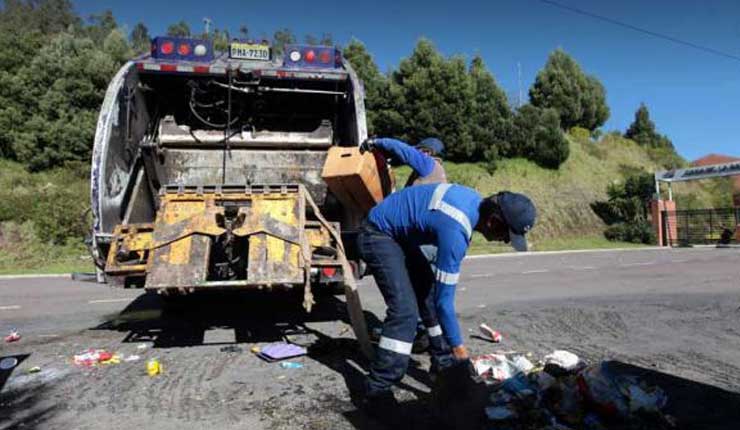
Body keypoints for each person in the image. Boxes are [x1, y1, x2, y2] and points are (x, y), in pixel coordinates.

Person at [357, 183, 536, 412]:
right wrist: (459, 350)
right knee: (405, 312)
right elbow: (446, 304)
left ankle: (443, 365)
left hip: (401, 237)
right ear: (493, 222)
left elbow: (438, 300)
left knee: (429, 297)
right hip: (377, 234)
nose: (505, 242)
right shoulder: (457, 231)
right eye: (506, 235)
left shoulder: (473, 202)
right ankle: (377, 389)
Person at [360, 137, 447, 187]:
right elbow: (403, 159)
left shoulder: (427, 164)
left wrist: (375, 142)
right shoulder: (434, 169)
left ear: (427, 152)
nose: (417, 153)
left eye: (419, 150)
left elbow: (404, 150)